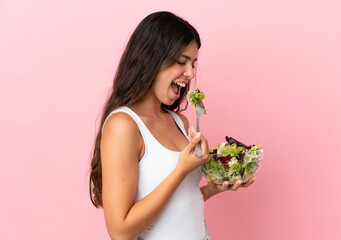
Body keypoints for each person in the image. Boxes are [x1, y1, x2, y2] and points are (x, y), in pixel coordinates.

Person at [89, 11, 255, 240]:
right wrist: (180, 171)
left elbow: (174, 206)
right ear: (151, 59)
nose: (190, 73)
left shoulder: (180, 121)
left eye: (194, 64)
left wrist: (209, 190)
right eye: (182, 62)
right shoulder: (124, 126)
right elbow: (120, 231)